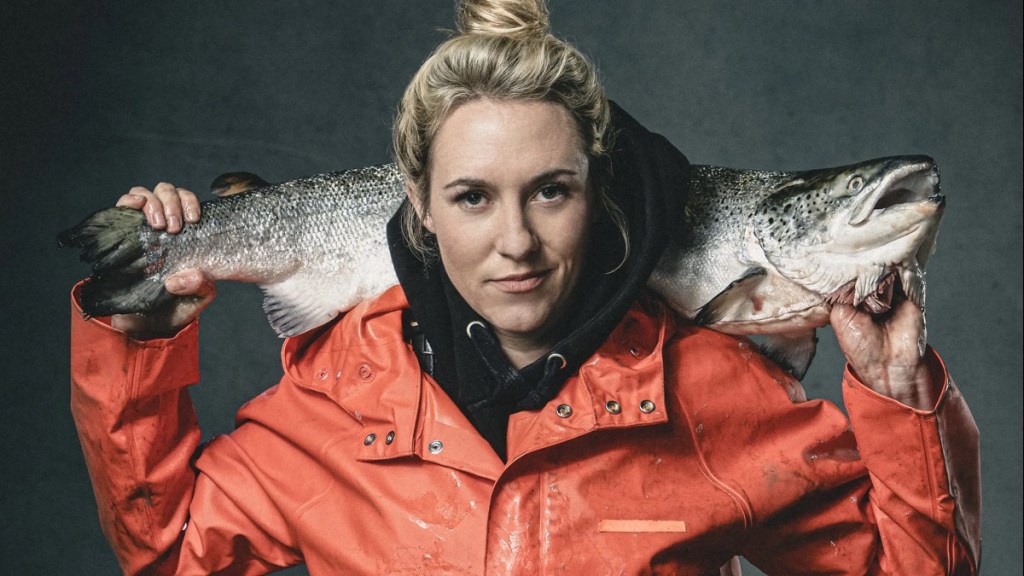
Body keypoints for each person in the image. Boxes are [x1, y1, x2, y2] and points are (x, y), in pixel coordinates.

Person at [70, 0, 980, 573]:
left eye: (551, 191)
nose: (516, 243)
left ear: (596, 195)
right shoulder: (331, 401)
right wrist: (139, 348)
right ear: (422, 209)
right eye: (473, 197)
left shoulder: (713, 395)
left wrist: (898, 392)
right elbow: (171, 553)